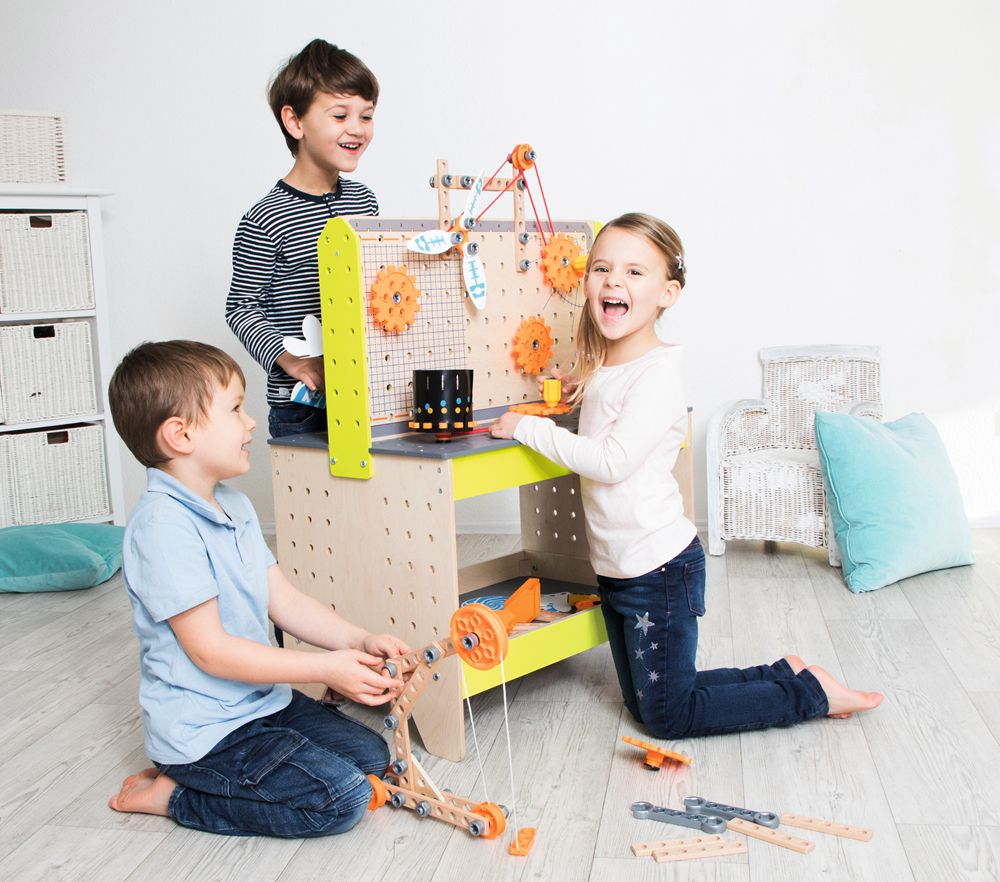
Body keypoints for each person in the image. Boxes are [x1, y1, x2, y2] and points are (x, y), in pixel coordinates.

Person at [490, 213, 883, 738]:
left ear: (667, 294)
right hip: (619, 569)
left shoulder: (659, 373)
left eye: (634, 273)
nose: (613, 281)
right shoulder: (612, 367)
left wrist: (524, 428)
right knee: (649, 702)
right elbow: (612, 399)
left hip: (657, 573)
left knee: (667, 718)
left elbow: (611, 461)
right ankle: (787, 674)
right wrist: (581, 385)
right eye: (602, 268)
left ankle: (811, 693)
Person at [106, 340, 410, 837]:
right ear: (180, 435)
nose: (250, 423)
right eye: (235, 410)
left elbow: (283, 600)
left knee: (372, 757)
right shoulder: (162, 527)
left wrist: (355, 641)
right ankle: (177, 797)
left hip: (262, 703)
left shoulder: (235, 506)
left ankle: (226, 776)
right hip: (205, 734)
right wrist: (323, 667)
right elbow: (213, 654)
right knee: (343, 801)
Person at [226, 38, 379, 440]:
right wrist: (288, 358)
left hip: (365, 393)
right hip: (302, 407)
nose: (357, 129)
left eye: (366, 116)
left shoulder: (364, 201)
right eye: (340, 115)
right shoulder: (266, 217)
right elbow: (241, 307)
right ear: (295, 122)